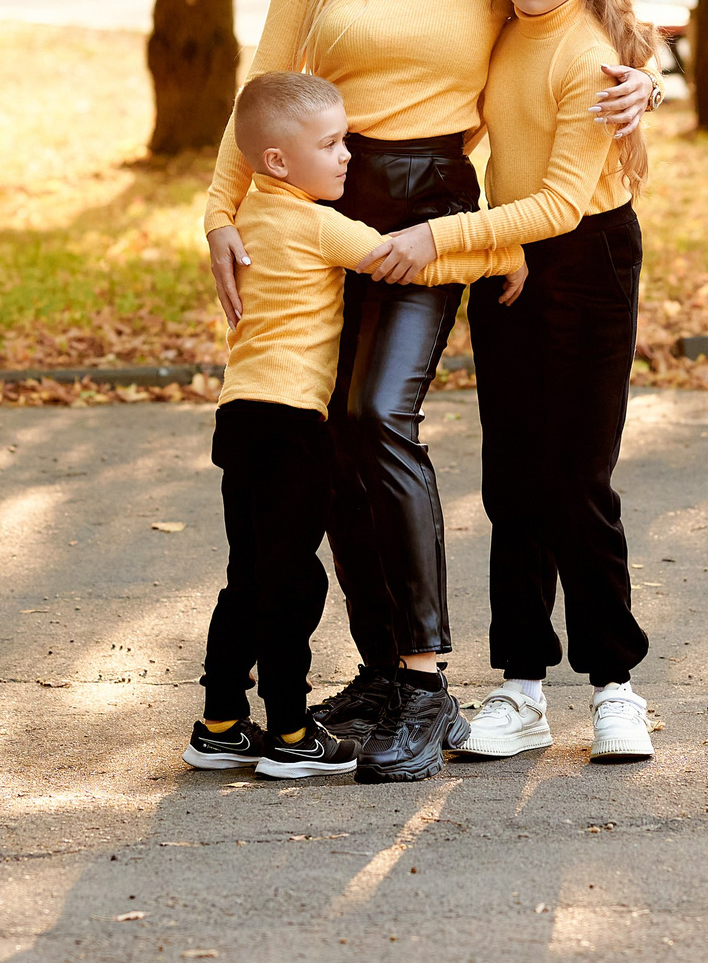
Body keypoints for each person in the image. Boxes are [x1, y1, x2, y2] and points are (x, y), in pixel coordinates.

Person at [202, 0, 661, 783]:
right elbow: (260, 87)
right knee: (323, 436)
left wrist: (649, 87)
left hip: (437, 206)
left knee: (375, 415)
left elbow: (590, 18)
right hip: (319, 203)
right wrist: (220, 210)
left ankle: (421, 677)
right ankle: (376, 667)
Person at [362, 0, 656, 764]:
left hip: (586, 261)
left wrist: (441, 238)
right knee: (512, 481)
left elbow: (566, 202)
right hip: (510, 260)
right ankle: (521, 689)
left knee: (577, 482)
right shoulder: (505, 31)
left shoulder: (590, 53)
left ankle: (616, 688)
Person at [185, 71, 525, 782]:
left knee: (245, 576)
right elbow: (395, 258)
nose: (349, 155)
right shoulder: (316, 223)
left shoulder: (249, 217)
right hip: (292, 426)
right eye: (333, 143)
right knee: (293, 583)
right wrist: (500, 252)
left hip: (239, 417)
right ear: (278, 161)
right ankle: (289, 730)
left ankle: (219, 723)